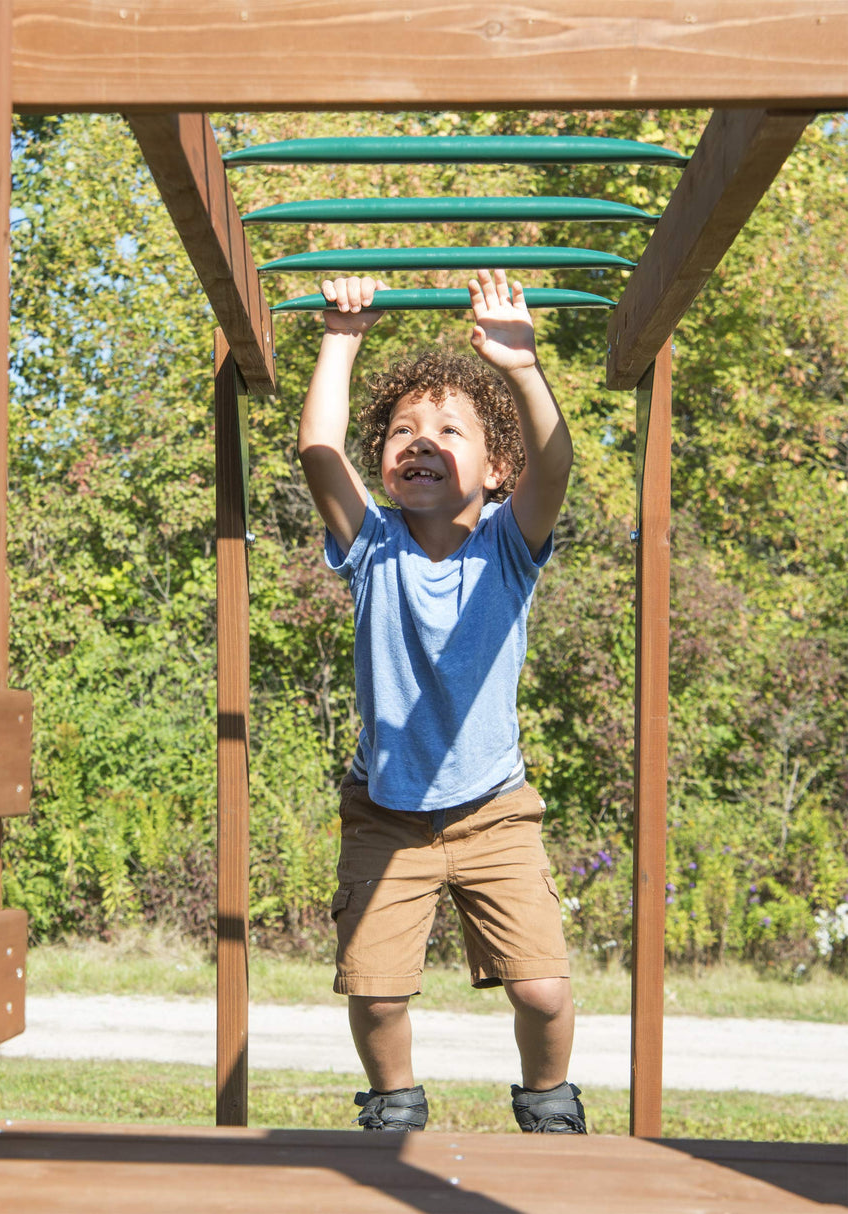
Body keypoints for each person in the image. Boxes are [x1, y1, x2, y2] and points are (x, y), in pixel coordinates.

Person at [297, 268, 586, 1135]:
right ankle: (394, 1102)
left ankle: (547, 1099)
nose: (417, 442)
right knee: (376, 990)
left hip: (493, 810)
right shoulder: (372, 545)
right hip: (387, 813)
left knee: (540, 987)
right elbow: (318, 451)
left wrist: (520, 366)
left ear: (497, 468)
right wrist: (342, 337)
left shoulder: (508, 546)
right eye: (401, 430)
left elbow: (558, 460)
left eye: (447, 431)